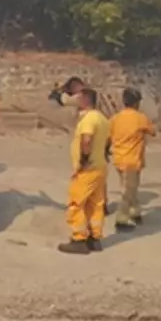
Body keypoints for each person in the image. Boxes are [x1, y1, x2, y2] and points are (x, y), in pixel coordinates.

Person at [59, 88, 111, 255]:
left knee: (76, 203)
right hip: (100, 167)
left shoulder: (88, 119)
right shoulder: (102, 118)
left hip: (88, 169)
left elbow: (86, 140)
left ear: (85, 100)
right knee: (96, 204)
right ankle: (95, 239)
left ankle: (79, 239)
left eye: (78, 98)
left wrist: (83, 160)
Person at [108, 88, 155, 230]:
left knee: (130, 188)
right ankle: (121, 218)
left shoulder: (115, 119)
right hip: (133, 160)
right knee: (128, 191)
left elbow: (107, 137)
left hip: (119, 159)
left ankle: (135, 212)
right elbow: (153, 132)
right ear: (136, 103)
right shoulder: (141, 118)